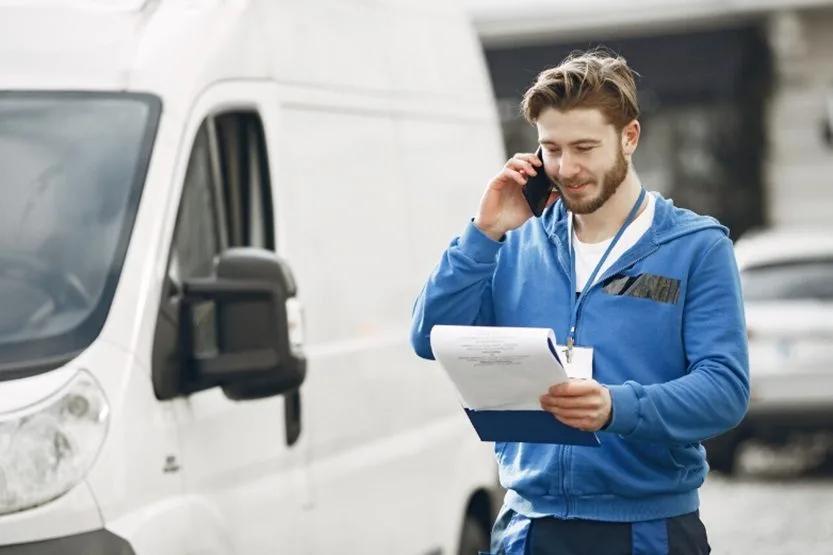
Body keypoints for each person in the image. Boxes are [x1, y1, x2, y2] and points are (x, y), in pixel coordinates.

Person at [409, 48, 749, 555]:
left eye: (585, 147)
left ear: (629, 137)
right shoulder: (512, 241)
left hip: (648, 529)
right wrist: (483, 234)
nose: (566, 168)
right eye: (551, 149)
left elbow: (724, 390)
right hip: (528, 527)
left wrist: (616, 405)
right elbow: (429, 337)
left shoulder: (696, 248)